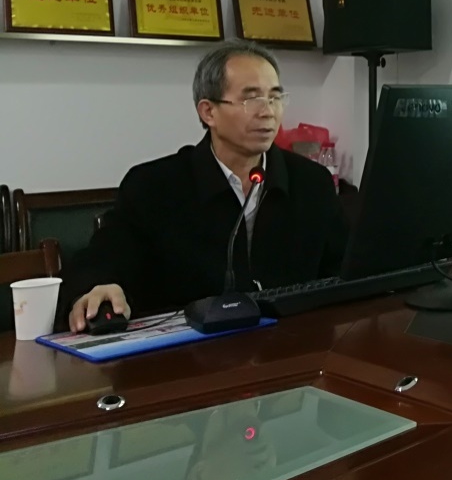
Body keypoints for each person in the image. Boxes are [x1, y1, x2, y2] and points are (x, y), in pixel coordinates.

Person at [61, 40, 348, 332]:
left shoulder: (312, 182)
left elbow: (344, 270)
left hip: (294, 341)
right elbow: (105, 258)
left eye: (275, 98)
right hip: (190, 348)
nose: (268, 112)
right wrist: (99, 286)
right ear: (208, 112)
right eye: (251, 99)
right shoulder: (154, 186)